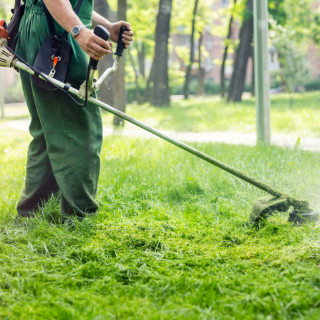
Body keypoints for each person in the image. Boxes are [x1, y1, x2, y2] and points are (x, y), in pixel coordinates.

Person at [15, 0, 134, 223]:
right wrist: (79, 31)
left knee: (47, 128)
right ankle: (79, 217)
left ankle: (32, 212)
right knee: (79, 128)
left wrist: (106, 26)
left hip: (42, 27)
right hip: (57, 33)